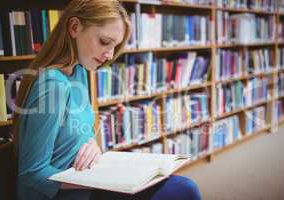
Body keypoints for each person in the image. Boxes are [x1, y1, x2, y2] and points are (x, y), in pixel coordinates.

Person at [12, 0, 202, 199]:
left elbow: (78, 130)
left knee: (182, 186)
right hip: (68, 192)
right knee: (183, 190)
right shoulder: (52, 85)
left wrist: (92, 144)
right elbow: (31, 174)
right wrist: (97, 181)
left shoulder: (79, 71)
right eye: (104, 42)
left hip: (87, 180)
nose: (110, 55)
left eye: (115, 46)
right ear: (75, 27)